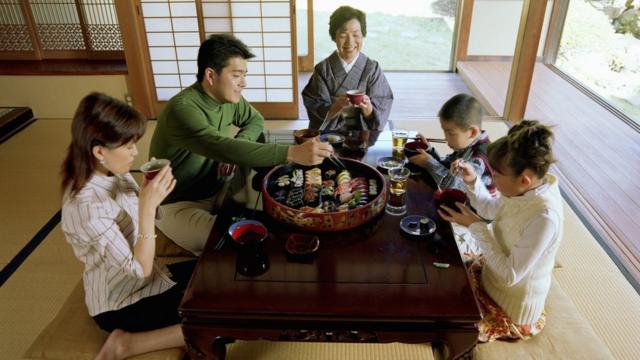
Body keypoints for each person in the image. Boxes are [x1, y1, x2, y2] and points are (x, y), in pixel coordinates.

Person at [150, 34, 333, 256]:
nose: (243, 83)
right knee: (235, 243)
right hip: (179, 204)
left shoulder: (227, 98)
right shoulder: (183, 109)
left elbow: (254, 120)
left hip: (219, 186)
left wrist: (239, 142)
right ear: (210, 75)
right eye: (237, 75)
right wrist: (292, 152)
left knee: (274, 198)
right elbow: (219, 146)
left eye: (244, 75)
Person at [60, 93, 190, 360]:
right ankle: (126, 345)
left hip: (154, 278)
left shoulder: (111, 172)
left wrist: (151, 197)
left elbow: (146, 224)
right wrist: (146, 207)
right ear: (99, 151)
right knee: (224, 317)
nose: (135, 151)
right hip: (121, 303)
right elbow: (138, 270)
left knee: (217, 279)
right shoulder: (87, 207)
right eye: (128, 145)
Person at [438, 120, 563, 342]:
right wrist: (473, 181)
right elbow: (489, 208)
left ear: (524, 180)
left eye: (496, 175)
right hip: (489, 276)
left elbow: (509, 276)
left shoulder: (544, 217)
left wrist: (475, 226)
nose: (492, 178)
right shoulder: (522, 191)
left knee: (442, 319)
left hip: (511, 307)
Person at [302, 5, 394, 131]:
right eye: (343, 34)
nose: (350, 42)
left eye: (356, 35)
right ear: (334, 36)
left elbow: (382, 104)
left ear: (363, 36)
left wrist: (369, 111)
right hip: (330, 139)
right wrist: (335, 107)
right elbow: (315, 108)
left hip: (363, 139)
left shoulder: (372, 69)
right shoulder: (323, 70)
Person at [408, 93, 495, 195]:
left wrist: (429, 162)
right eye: (445, 132)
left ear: (472, 132)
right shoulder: (468, 144)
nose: (446, 138)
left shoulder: (479, 159)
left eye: (451, 133)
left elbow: (451, 187)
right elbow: (448, 167)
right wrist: (430, 152)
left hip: (473, 209)